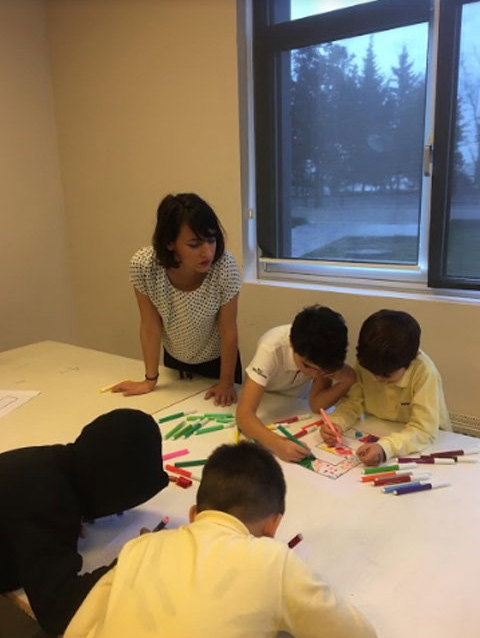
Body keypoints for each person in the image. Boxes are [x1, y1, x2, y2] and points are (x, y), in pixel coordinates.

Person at [64, 442, 376, 638]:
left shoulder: (138, 548)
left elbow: (78, 630)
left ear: (193, 513)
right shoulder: (273, 561)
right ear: (273, 525)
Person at [0, 409, 169, 636]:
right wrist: (134, 560)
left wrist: (71, 513)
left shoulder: (52, 463)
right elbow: (59, 612)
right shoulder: (47, 500)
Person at [112, 193, 241, 406]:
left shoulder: (224, 267)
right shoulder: (144, 266)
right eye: (194, 244)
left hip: (219, 364)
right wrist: (150, 380)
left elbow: (228, 330)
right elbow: (150, 326)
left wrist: (226, 383)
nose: (207, 252)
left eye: (212, 240)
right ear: (170, 243)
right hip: (175, 360)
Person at [321, 309, 451, 466]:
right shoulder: (370, 362)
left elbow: (424, 430)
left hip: (430, 443)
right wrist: (336, 423)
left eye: (386, 376)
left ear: (413, 357)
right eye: (372, 372)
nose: (376, 378)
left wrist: (385, 448)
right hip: (383, 429)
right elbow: (353, 402)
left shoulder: (424, 372)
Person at [236, 305, 356, 462]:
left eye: (322, 371)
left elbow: (316, 405)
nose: (314, 375)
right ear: (291, 344)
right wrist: (277, 444)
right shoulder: (271, 348)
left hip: (296, 408)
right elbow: (243, 416)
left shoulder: (322, 355)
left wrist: (348, 380)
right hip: (264, 403)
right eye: (307, 366)